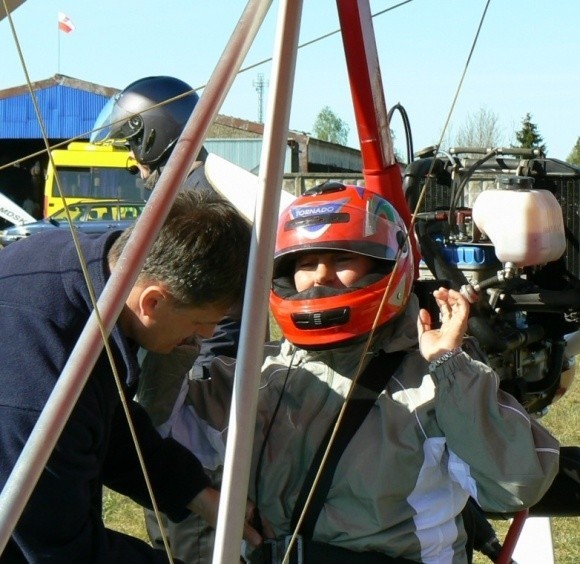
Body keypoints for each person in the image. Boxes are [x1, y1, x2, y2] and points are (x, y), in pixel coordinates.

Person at [140, 182, 560, 563]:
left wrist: (451, 369)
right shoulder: (259, 375)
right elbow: (154, 434)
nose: (320, 275)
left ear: (384, 266)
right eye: (305, 262)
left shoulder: (432, 381)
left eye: (341, 259)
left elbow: (515, 484)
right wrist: (175, 334)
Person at [0, 190, 261, 562]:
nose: (204, 337)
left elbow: (104, 420)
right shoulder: (42, 383)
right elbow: (60, 550)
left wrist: (196, 494)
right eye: (202, 323)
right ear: (153, 302)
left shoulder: (84, 270)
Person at [91, 76, 254, 561]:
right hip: (189, 361)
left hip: (191, 368)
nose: (132, 161)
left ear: (154, 135)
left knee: (185, 512)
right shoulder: (189, 188)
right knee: (163, 489)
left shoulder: (194, 199)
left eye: (132, 143)